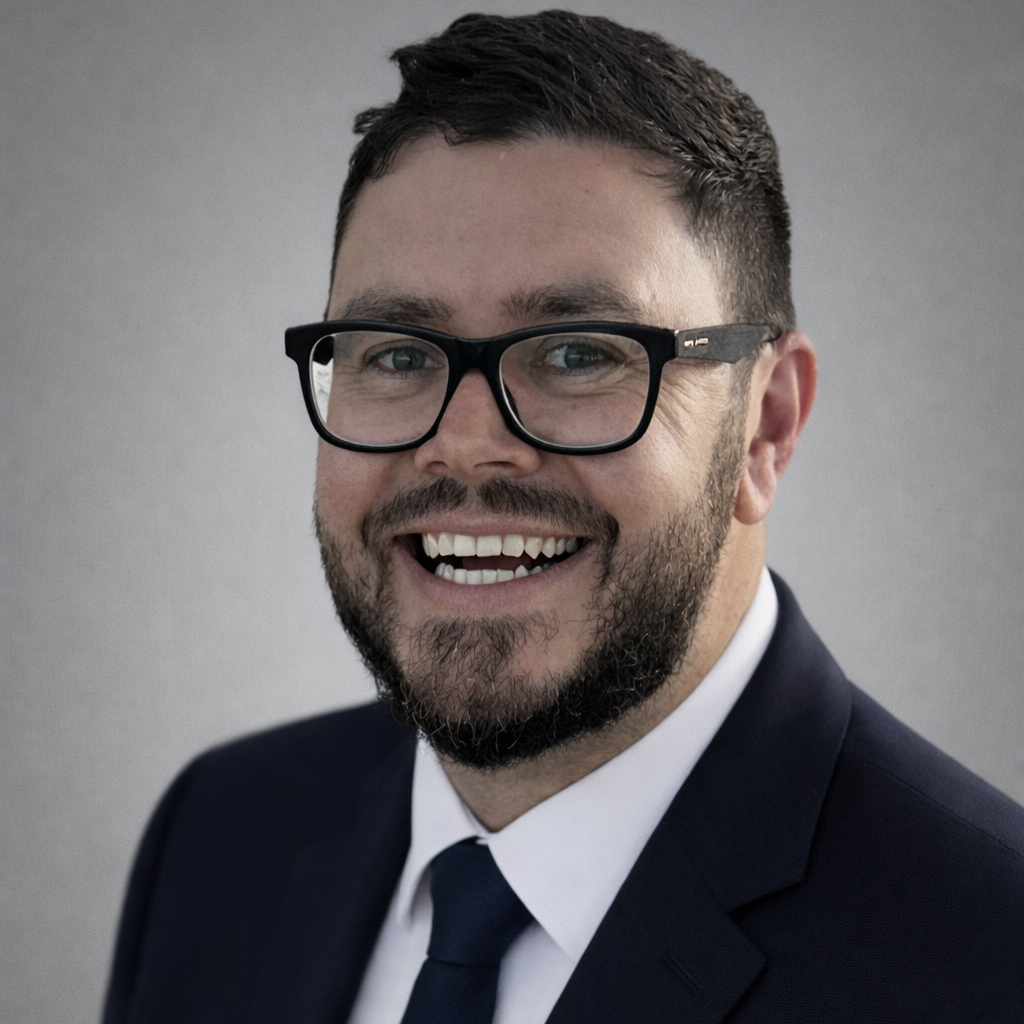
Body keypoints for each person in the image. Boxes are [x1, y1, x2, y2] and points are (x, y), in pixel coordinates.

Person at [102, 11, 1024, 1024]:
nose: (466, 445)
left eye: (580, 353)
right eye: (397, 355)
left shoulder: (989, 955)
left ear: (765, 425)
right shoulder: (218, 834)